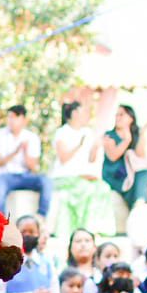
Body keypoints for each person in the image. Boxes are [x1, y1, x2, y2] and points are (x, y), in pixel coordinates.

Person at [49, 101, 112, 243]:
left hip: (84, 175)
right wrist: (79, 145)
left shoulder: (87, 132)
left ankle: (98, 230)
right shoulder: (62, 132)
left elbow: (91, 159)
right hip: (65, 177)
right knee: (86, 189)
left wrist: (96, 146)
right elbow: (64, 158)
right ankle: (81, 229)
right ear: (74, 114)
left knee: (103, 188)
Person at [0, 105, 52, 217]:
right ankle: (0, 220)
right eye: (9, 117)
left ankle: (41, 216)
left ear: (23, 119)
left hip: (25, 176)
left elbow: (33, 167)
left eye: (15, 117)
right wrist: (15, 152)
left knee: (45, 181)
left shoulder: (32, 138)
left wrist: (25, 152)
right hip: (5, 176)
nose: (11, 121)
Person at [101, 104, 147, 211]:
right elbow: (113, 156)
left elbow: (140, 156)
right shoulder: (109, 135)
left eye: (121, 115)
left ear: (131, 118)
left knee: (145, 173)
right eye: (117, 115)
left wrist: (141, 135)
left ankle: (139, 204)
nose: (117, 118)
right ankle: (137, 206)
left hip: (131, 175)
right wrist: (126, 140)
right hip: (116, 176)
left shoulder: (135, 135)